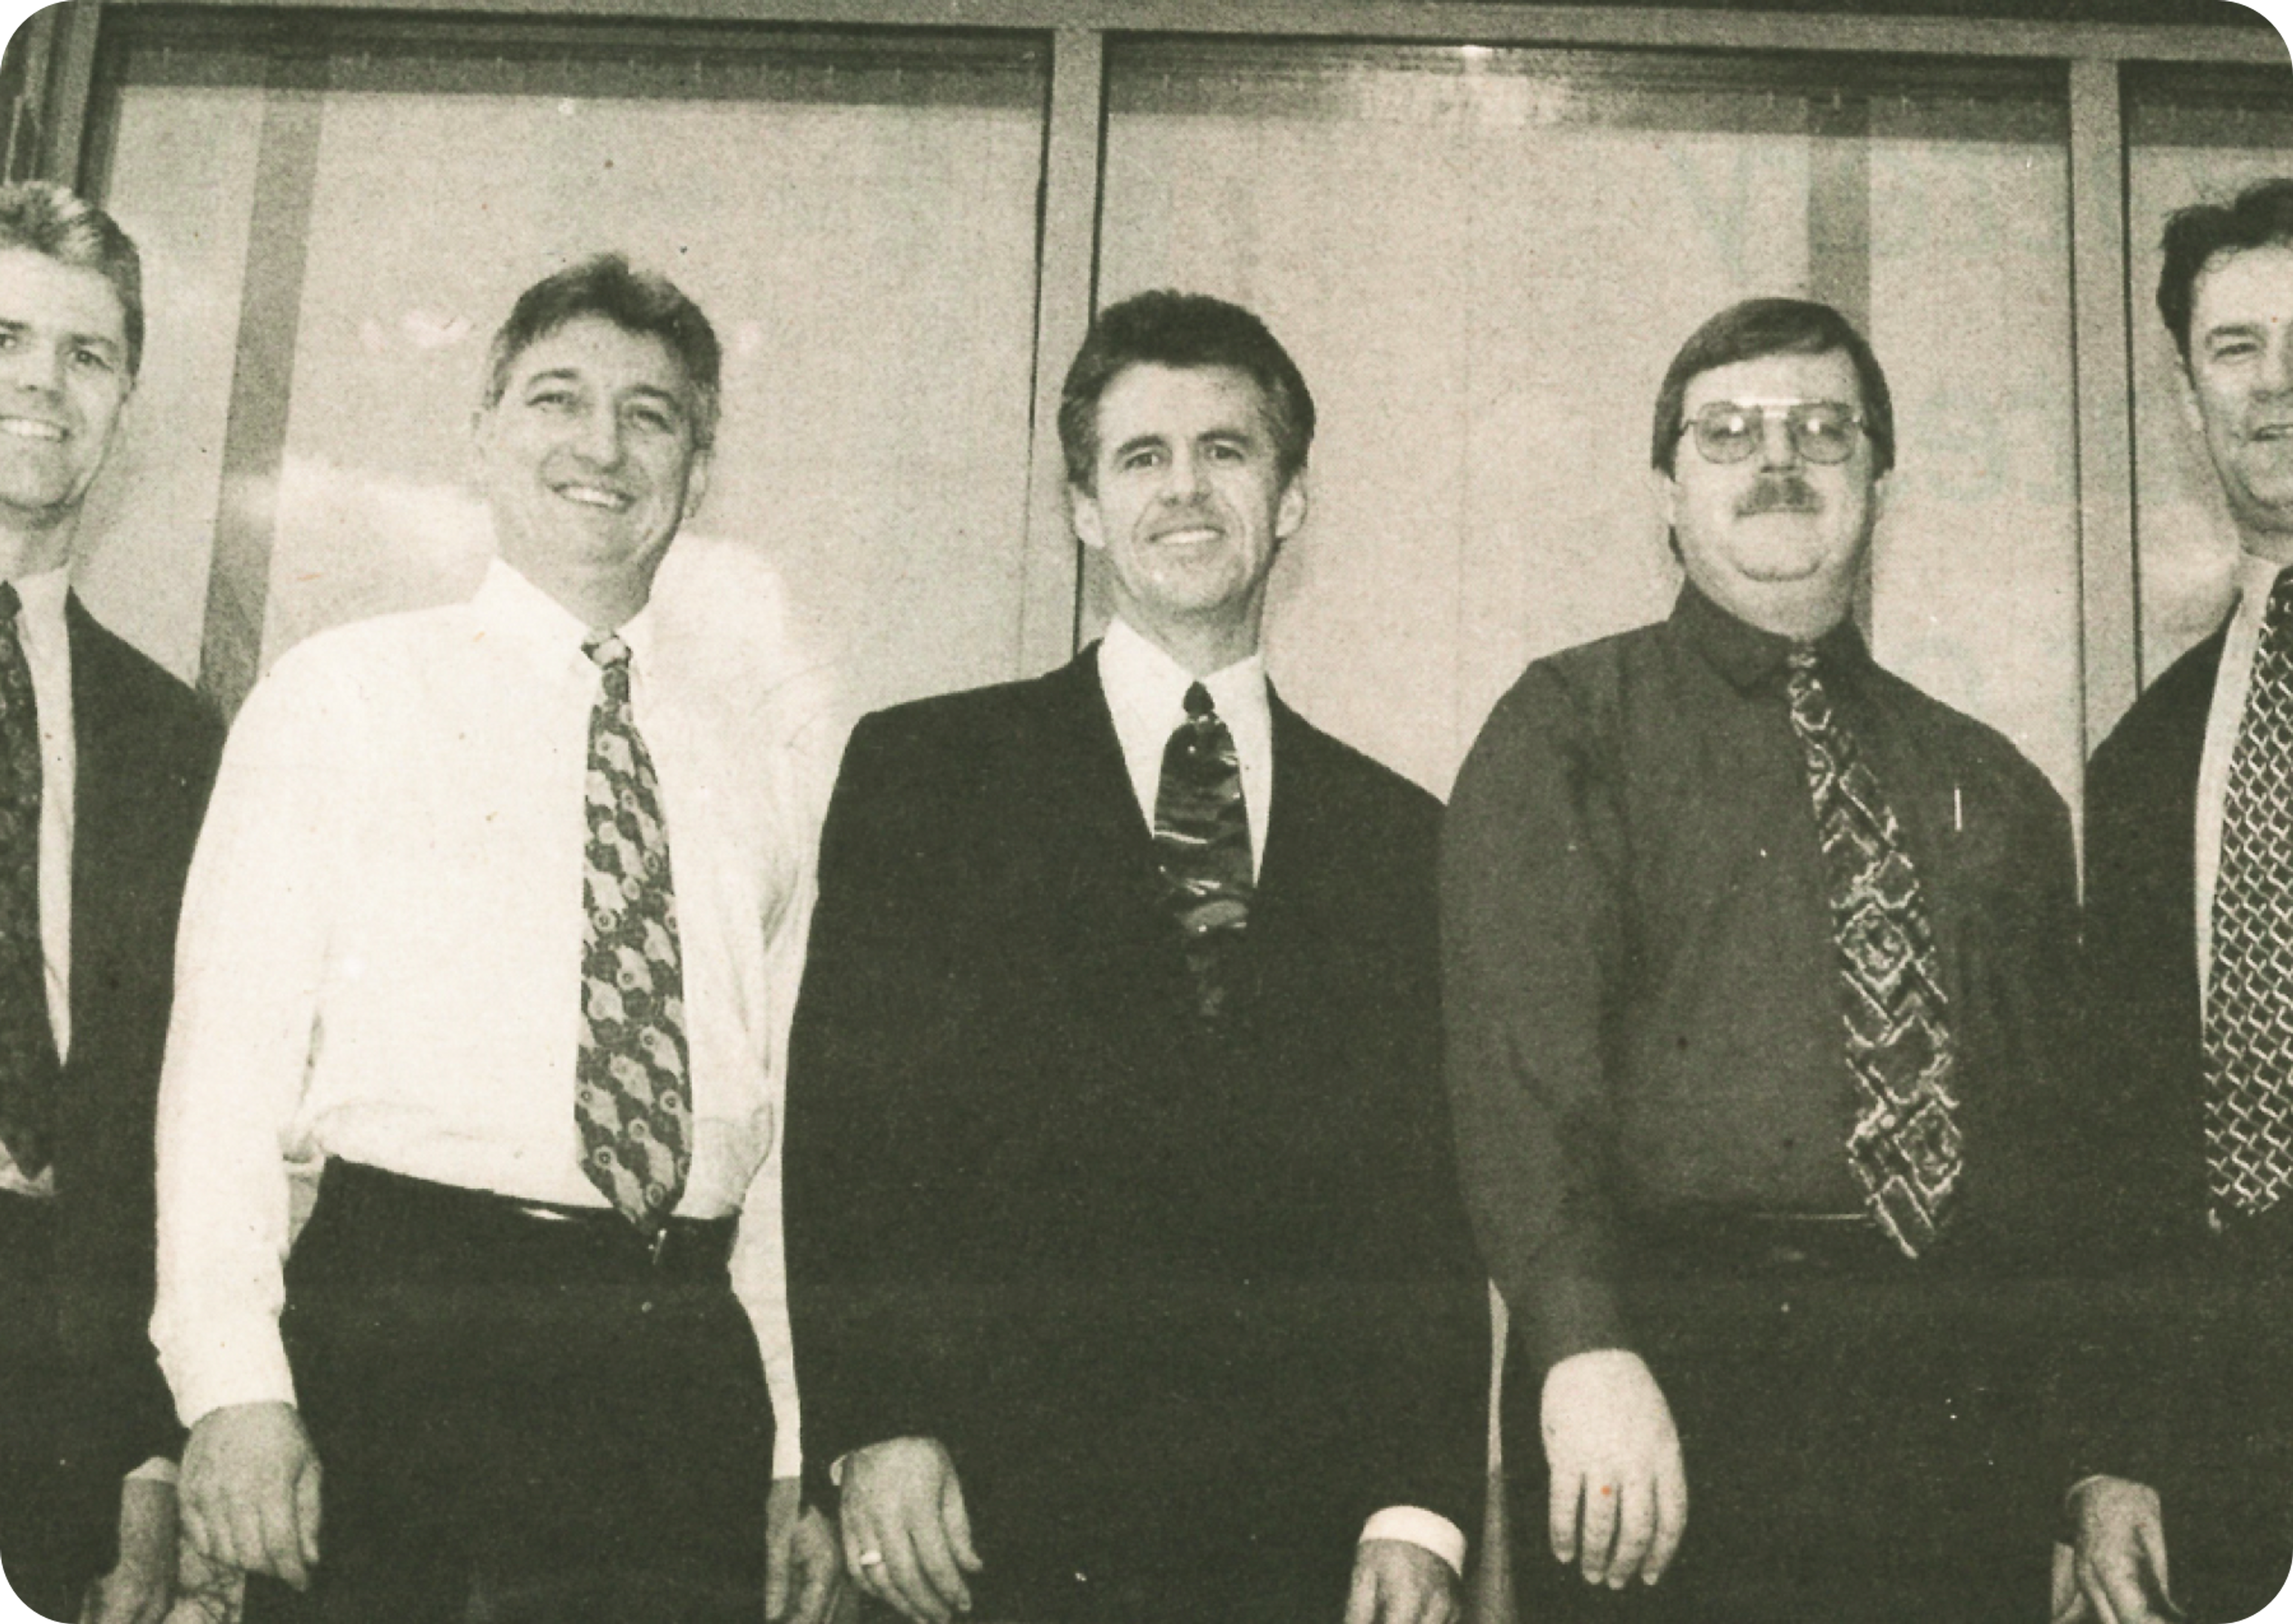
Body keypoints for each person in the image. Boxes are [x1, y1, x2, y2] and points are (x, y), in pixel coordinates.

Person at [149, 253, 840, 1624]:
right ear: (483, 432)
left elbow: (771, 1144)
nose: (602, 443)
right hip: (400, 1329)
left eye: (652, 415)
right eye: (557, 398)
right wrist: (233, 1388)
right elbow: (219, 1074)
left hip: (674, 1357)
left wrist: (785, 1445)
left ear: (700, 471)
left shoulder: (756, 762)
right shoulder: (341, 694)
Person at [785, 290, 1489, 1624]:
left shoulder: (1402, 833)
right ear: (1085, 509)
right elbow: (847, 1129)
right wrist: (874, 1419)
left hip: (1293, 1540)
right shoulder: (926, 770)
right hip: (985, 1525)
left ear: (1290, 500)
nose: (1186, 489)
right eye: (1141, 456)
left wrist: (1419, 1503)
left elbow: (1424, 1199)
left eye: (1227, 451)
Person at [1443, 297, 2080, 1621]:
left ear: (1879, 482)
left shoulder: (1996, 783)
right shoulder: (1566, 728)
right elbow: (1517, 1077)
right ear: (1666, 493)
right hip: (1660, 1384)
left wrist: (2079, 1456)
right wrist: (1583, 1346)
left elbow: (2049, 1155)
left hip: (1952, 1398)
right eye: (1727, 432)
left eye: (1822, 429)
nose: (1777, 458)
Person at [2070, 178, 2293, 1624]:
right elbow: (2122, 1134)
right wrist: (2112, 1451)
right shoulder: (2145, 754)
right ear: (2185, 388)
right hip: (2231, 1443)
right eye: (2236, 347)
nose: (2279, 386)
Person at [0, 179, 217, 1624]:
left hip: (55, 1380)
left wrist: (146, 1467)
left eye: (88, 354)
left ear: (126, 396)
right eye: (5, 335)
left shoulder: (173, 735)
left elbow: (164, 1116)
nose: (43, 382)